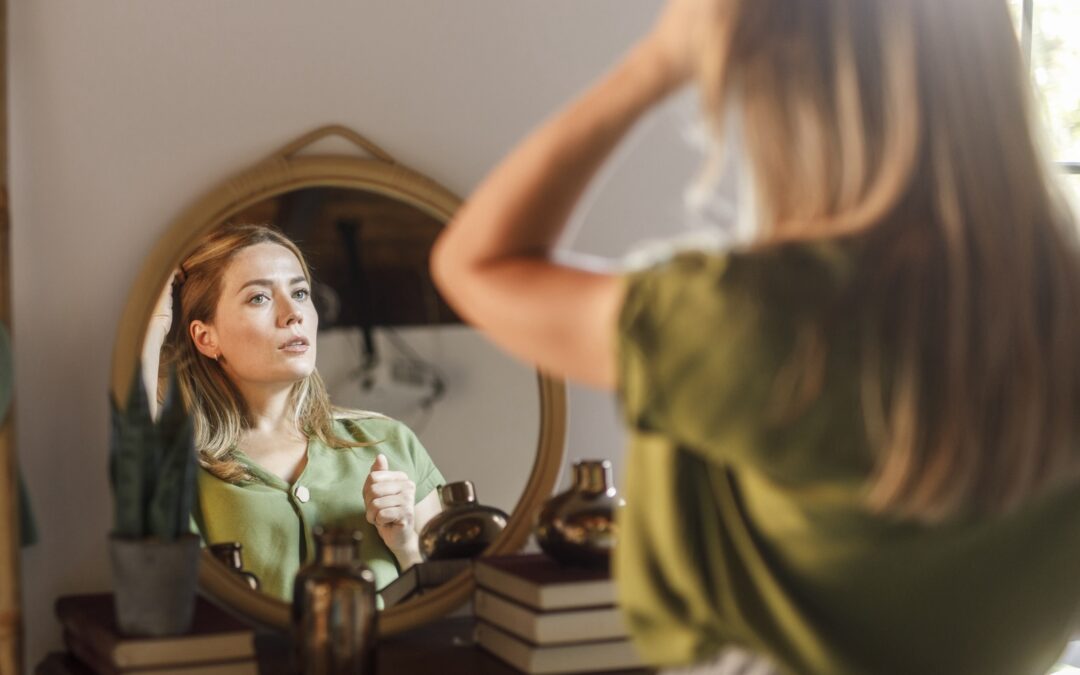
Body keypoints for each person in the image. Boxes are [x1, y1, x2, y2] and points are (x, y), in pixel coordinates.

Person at [430, 1, 1080, 673]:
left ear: (793, 99)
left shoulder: (766, 316)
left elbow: (474, 264)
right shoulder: (1060, 311)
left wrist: (659, 62)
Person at [144, 224, 445, 601]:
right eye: (259, 298)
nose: (293, 314)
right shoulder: (182, 465)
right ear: (207, 338)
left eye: (300, 292)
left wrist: (405, 543)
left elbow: (447, 610)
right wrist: (153, 324)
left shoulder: (391, 442)